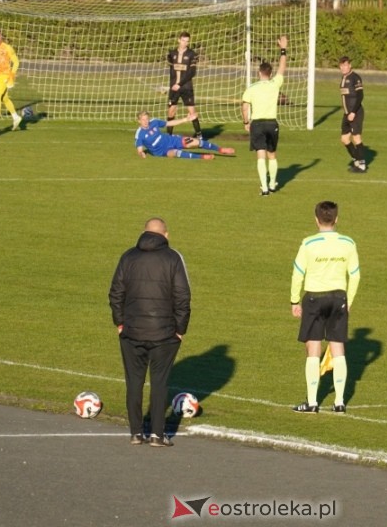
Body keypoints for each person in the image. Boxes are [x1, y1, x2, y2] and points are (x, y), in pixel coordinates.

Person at [109, 217, 191, 447]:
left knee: (134, 382)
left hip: (131, 332)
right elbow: (182, 296)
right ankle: (157, 434)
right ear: (166, 235)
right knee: (160, 383)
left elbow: (116, 292)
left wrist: (120, 322)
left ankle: (136, 432)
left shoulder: (128, 257)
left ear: (144, 232)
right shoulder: (173, 258)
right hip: (164, 334)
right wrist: (180, 329)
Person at [290, 201, 360, 414]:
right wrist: (349, 301)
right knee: (338, 348)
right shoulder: (348, 243)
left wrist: (294, 301)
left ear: (316, 220)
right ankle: (339, 402)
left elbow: (297, 274)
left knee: (313, 348)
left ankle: (312, 402)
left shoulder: (308, 243)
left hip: (314, 298)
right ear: (336, 219)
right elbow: (355, 275)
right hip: (339, 297)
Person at [241, 36, 288, 196]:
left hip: (257, 124)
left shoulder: (252, 88)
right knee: (272, 154)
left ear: (259, 73)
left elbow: (245, 106)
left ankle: (265, 187)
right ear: (270, 73)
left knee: (260, 155)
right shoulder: (275, 84)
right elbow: (282, 67)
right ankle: (273, 184)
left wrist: (246, 122)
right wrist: (283, 49)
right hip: (272, 123)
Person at [134, 111, 235, 159]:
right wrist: (141, 153)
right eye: (143, 120)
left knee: (197, 142)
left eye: (147, 119)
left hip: (172, 140)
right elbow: (139, 149)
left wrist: (186, 119)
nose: (146, 121)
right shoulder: (139, 134)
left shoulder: (154, 122)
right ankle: (203, 157)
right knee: (176, 153)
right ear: (139, 121)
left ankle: (220, 149)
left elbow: (169, 123)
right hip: (162, 151)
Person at [166, 31, 202, 138]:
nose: (185, 43)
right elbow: (172, 71)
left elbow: (192, 72)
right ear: (179, 40)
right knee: (171, 112)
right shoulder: (171, 53)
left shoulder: (192, 54)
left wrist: (179, 84)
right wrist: (172, 85)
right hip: (174, 88)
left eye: (187, 41)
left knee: (192, 112)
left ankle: (199, 136)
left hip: (186, 87)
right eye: (183, 40)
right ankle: (168, 137)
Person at [339, 56, 366, 173]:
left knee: (356, 137)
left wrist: (353, 112)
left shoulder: (355, 77)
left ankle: (362, 165)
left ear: (350, 65)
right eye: (342, 65)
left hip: (356, 113)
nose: (344, 67)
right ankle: (356, 160)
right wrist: (347, 113)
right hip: (346, 114)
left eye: (346, 65)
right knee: (344, 139)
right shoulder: (343, 78)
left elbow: (360, 95)